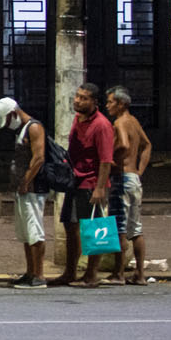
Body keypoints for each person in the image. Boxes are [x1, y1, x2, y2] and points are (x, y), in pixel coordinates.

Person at [53, 83, 118, 288]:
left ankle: (91, 274)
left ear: (94, 102)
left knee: (94, 228)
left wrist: (100, 187)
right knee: (70, 225)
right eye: (77, 96)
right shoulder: (77, 119)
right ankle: (70, 272)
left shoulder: (101, 125)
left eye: (84, 98)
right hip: (74, 180)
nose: (78, 100)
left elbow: (106, 160)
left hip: (92, 182)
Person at [0, 97, 50, 288]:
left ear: (13, 113)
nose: (8, 125)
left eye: (8, 120)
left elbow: (39, 157)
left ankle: (39, 274)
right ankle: (30, 271)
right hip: (23, 189)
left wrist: (26, 181)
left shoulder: (34, 127)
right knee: (26, 234)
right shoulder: (22, 129)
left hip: (33, 188)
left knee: (35, 232)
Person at [105, 86, 153, 284]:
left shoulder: (120, 122)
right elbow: (147, 144)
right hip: (133, 178)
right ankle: (140, 274)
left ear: (121, 104)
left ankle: (119, 273)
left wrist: (112, 159)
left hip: (122, 178)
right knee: (136, 228)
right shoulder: (134, 121)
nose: (107, 106)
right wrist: (139, 170)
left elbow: (124, 144)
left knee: (120, 228)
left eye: (110, 102)